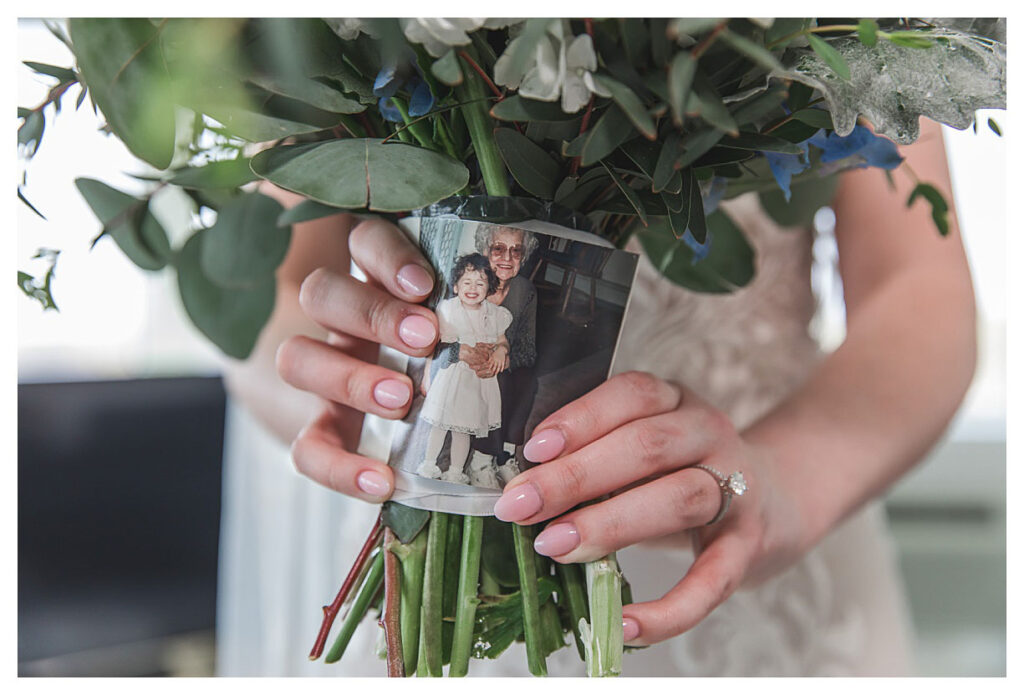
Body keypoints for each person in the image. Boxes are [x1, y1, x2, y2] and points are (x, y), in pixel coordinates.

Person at [217, 118, 976, 676]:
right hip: (428, 534)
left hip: (752, 552)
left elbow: (919, 286)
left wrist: (778, 480)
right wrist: (361, 391)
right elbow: (271, 297)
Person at [447, 224, 539, 487]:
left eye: (516, 251)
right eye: (498, 249)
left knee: (527, 381)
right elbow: (442, 341)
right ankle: (481, 461)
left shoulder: (524, 291)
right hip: (461, 364)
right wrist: (465, 354)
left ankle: (505, 456)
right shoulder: (470, 283)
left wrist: (507, 358)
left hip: (501, 361)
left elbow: (529, 348)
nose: (507, 259)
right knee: (496, 382)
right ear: (485, 250)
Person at [416, 253, 512, 485]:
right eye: (466, 282)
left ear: (489, 288)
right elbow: (435, 347)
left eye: (480, 283)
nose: (473, 288)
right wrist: (428, 376)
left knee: (464, 429)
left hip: (476, 383)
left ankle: (456, 471)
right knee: (439, 424)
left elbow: (503, 341)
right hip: (451, 377)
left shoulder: (494, 314)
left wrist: (501, 351)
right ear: (456, 287)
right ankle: (429, 463)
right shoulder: (448, 310)